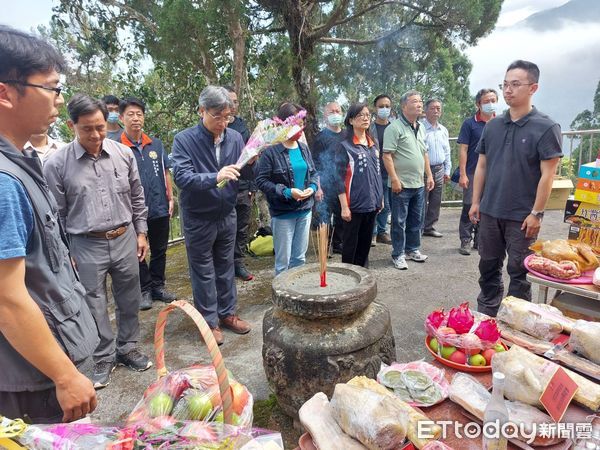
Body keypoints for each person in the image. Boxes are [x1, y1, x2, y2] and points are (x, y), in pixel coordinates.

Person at [0, 25, 97, 422]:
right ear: (6, 92)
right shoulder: (4, 182)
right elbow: (7, 298)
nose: (59, 99)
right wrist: (65, 375)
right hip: (37, 382)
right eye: (51, 87)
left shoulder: (20, 162)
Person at [44, 94, 152, 389]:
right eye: (87, 129)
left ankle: (128, 347)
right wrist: (68, 253)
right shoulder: (56, 164)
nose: (95, 135)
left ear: (108, 122)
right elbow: (55, 216)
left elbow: (137, 196)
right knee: (93, 303)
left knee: (130, 296)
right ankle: (103, 356)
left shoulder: (123, 154)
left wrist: (141, 233)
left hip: (124, 237)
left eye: (101, 127)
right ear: (72, 126)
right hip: (85, 243)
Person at [469, 60, 563, 317]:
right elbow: (482, 167)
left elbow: (548, 175)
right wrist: (476, 202)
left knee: (519, 272)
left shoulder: (546, 127)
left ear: (533, 88)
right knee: (488, 266)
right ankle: (485, 315)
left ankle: (515, 322)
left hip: (522, 216)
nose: (508, 90)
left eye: (515, 84)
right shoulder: (493, 126)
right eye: (505, 84)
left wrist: (537, 213)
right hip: (490, 211)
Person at [171, 85, 254, 346]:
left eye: (227, 116)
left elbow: (244, 175)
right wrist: (214, 177)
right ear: (201, 111)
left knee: (226, 267)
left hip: (226, 214)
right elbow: (182, 177)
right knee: (203, 271)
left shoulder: (235, 138)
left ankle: (228, 313)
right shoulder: (184, 140)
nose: (222, 122)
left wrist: (253, 161)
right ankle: (210, 321)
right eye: (216, 116)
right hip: (198, 217)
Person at [117, 97, 176, 308]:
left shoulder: (156, 145)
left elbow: (166, 171)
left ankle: (158, 286)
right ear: (122, 117)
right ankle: (144, 289)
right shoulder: (117, 147)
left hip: (159, 205)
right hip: (133, 211)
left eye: (139, 114)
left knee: (160, 249)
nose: (135, 119)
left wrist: (171, 197)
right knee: (139, 250)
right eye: (130, 114)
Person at [256, 102, 318, 275]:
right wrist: (287, 191)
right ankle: (282, 299)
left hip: (305, 211)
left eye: (301, 123)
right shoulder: (271, 152)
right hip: (283, 213)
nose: (300, 127)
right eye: (296, 123)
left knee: (299, 258)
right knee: (283, 262)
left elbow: (313, 173)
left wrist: (312, 188)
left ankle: (297, 294)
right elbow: (261, 180)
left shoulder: (303, 148)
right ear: (284, 123)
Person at [382, 90, 434, 270]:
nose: (419, 104)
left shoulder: (420, 127)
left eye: (420, 101)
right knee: (398, 221)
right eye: (415, 101)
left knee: (416, 220)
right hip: (401, 185)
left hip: (418, 183)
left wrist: (429, 175)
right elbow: (387, 155)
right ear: (404, 106)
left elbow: (424, 153)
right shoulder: (394, 128)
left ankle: (413, 249)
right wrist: (394, 179)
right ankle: (398, 254)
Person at [336, 103, 383, 267]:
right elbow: (338, 179)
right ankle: (348, 281)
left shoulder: (373, 143)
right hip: (353, 205)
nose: (365, 118)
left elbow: (377, 173)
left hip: (372, 203)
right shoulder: (345, 146)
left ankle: (363, 281)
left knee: (365, 246)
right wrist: (344, 207)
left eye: (367, 115)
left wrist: (380, 197)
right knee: (350, 247)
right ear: (350, 120)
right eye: (360, 115)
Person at [455, 88, 498, 255]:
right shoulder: (469, 123)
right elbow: (463, 149)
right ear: (478, 104)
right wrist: (463, 174)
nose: (490, 104)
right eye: (486, 101)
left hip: (493, 173)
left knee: (487, 207)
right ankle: (465, 239)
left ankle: (480, 240)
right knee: (469, 206)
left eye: (493, 100)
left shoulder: (500, 122)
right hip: (473, 172)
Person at [225, 86, 254, 281]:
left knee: (241, 228)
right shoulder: (215, 126)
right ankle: (224, 265)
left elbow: (252, 154)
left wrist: (252, 186)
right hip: (223, 186)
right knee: (225, 228)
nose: (233, 105)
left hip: (243, 185)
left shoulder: (242, 127)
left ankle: (238, 263)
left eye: (236, 101)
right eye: (229, 101)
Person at [312, 101, 344, 253]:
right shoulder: (320, 138)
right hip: (325, 185)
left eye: (338, 111)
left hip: (343, 186)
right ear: (325, 116)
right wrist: (318, 187)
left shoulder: (347, 135)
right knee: (324, 217)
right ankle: (324, 246)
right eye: (331, 112)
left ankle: (338, 244)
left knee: (342, 217)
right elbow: (315, 165)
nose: (335, 114)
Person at [422, 99, 451, 238]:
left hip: (439, 168)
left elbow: (447, 151)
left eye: (438, 108)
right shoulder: (420, 127)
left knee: (436, 200)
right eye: (433, 108)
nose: (436, 111)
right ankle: (419, 227)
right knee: (422, 198)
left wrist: (447, 170)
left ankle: (430, 226)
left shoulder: (443, 130)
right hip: (423, 169)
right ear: (426, 110)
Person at [369, 94, 393, 245]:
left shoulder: (394, 127)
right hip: (373, 172)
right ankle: (372, 232)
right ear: (375, 108)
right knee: (374, 203)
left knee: (387, 204)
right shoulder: (369, 128)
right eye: (381, 106)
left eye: (387, 106)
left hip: (390, 172)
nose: (384, 109)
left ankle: (382, 232)